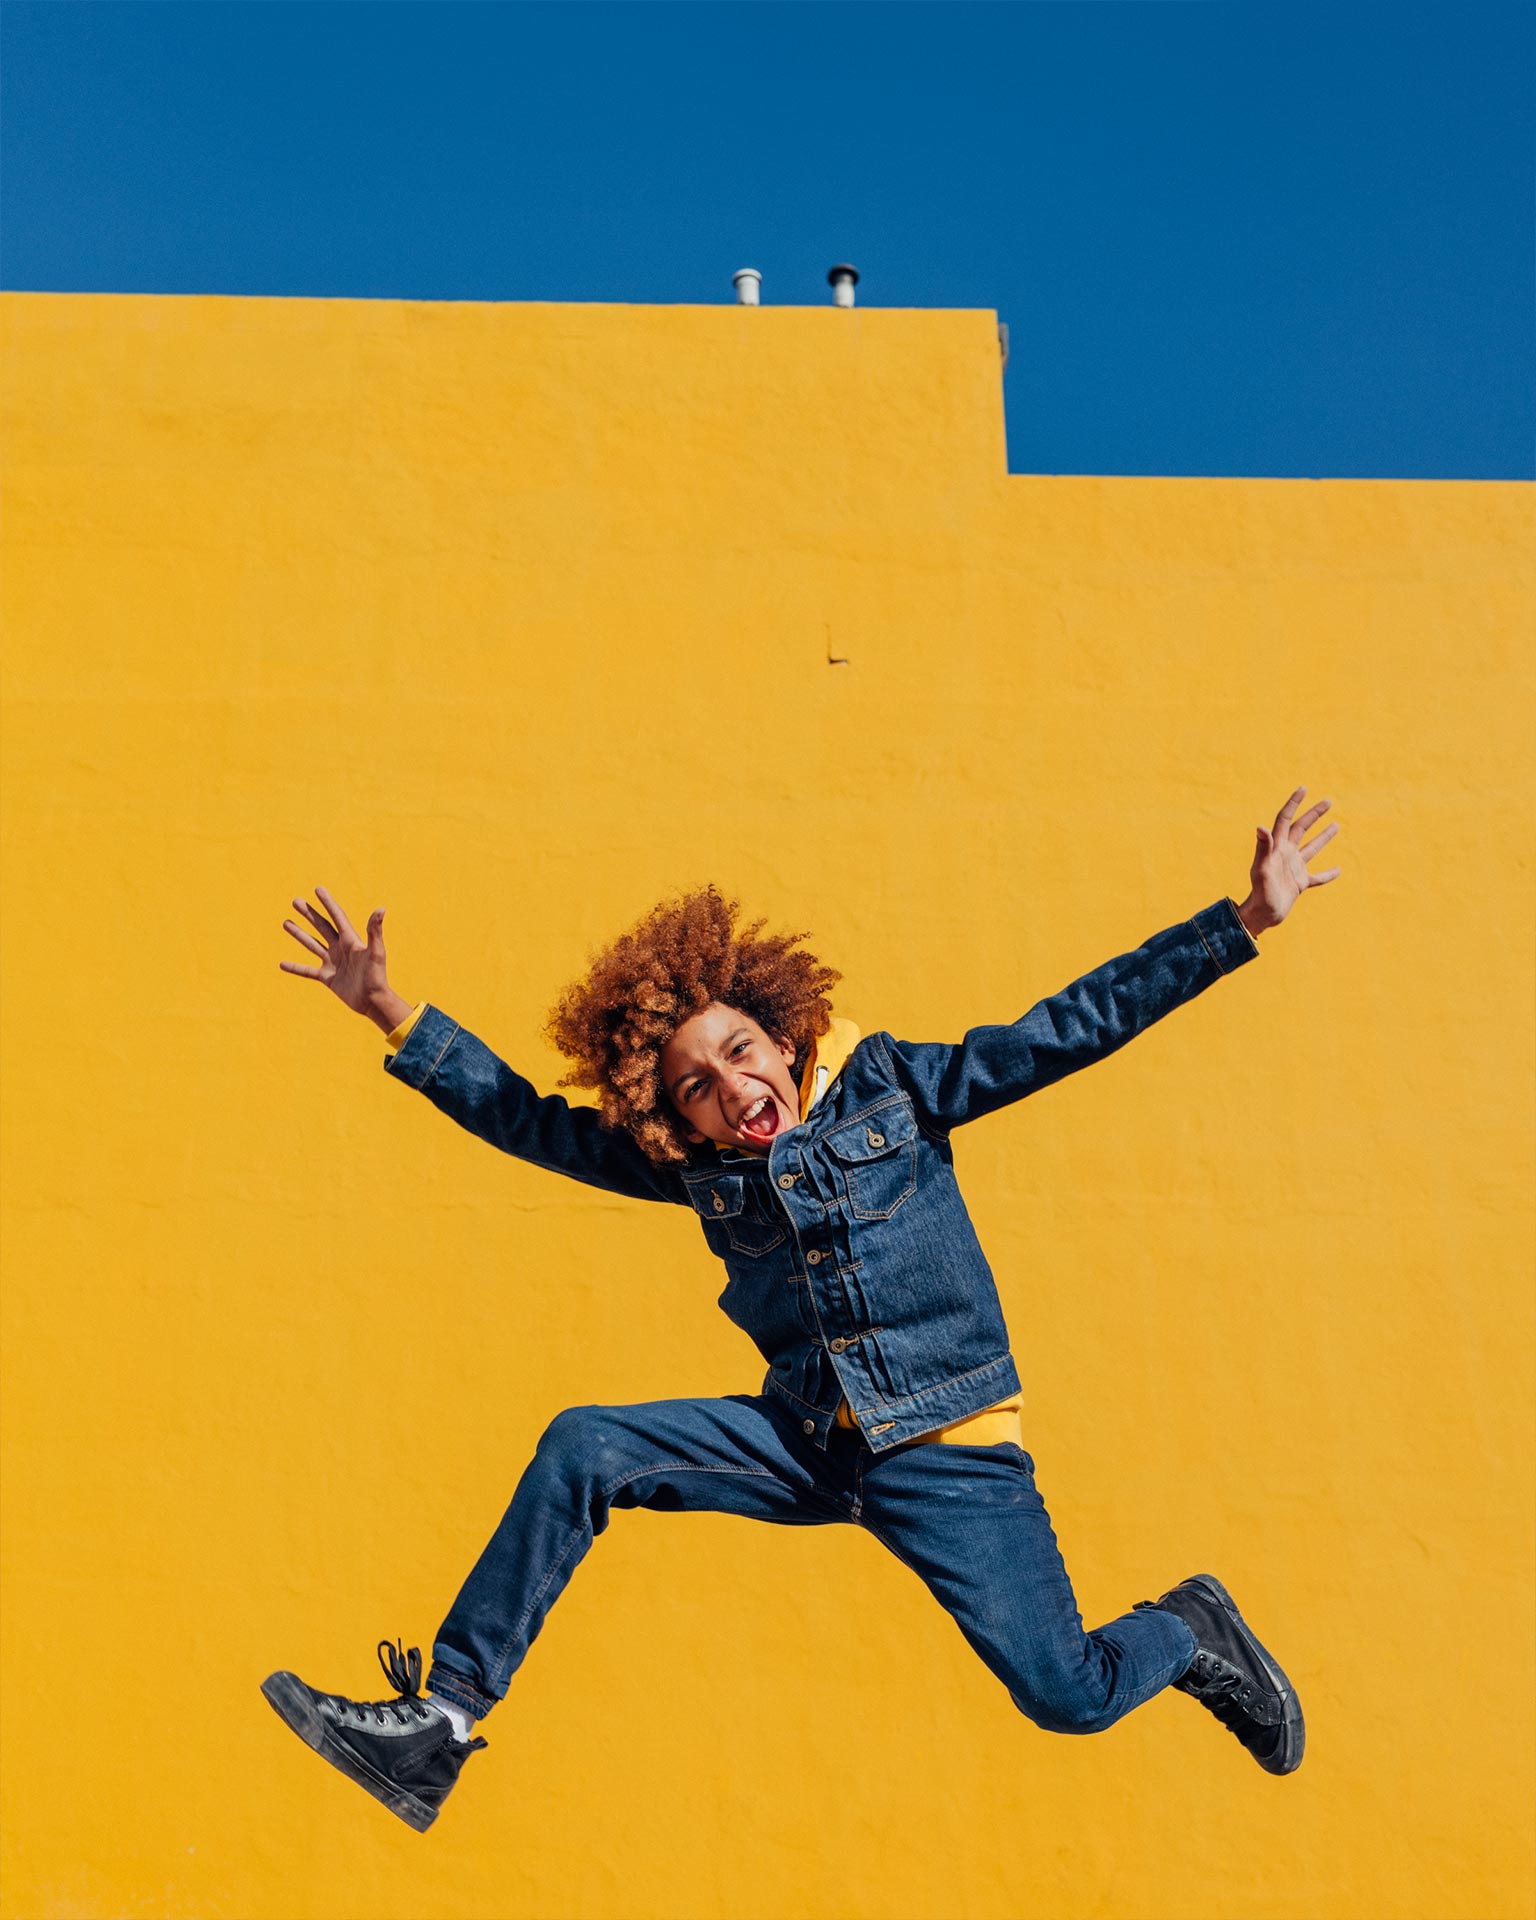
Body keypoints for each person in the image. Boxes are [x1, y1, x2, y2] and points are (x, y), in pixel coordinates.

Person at [263, 786, 1340, 1832]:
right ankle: (442, 1719)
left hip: (947, 1450)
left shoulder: (894, 1088)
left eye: (739, 1054)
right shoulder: (695, 1171)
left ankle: (1190, 1628)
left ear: (783, 1038)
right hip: (804, 1439)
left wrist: (1242, 922)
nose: (731, 1090)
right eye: (695, 1087)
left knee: (1070, 1696)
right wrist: (394, 1014)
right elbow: (531, 1123)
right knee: (584, 1447)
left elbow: (1069, 1027)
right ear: (674, 1114)